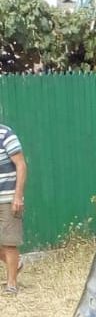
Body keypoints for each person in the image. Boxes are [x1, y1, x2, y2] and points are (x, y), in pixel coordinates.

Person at [0, 122, 26, 295]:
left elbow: (21, 164)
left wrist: (17, 196)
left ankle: (11, 284)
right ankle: (16, 263)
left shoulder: (6, 134)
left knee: (9, 242)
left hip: (8, 198)